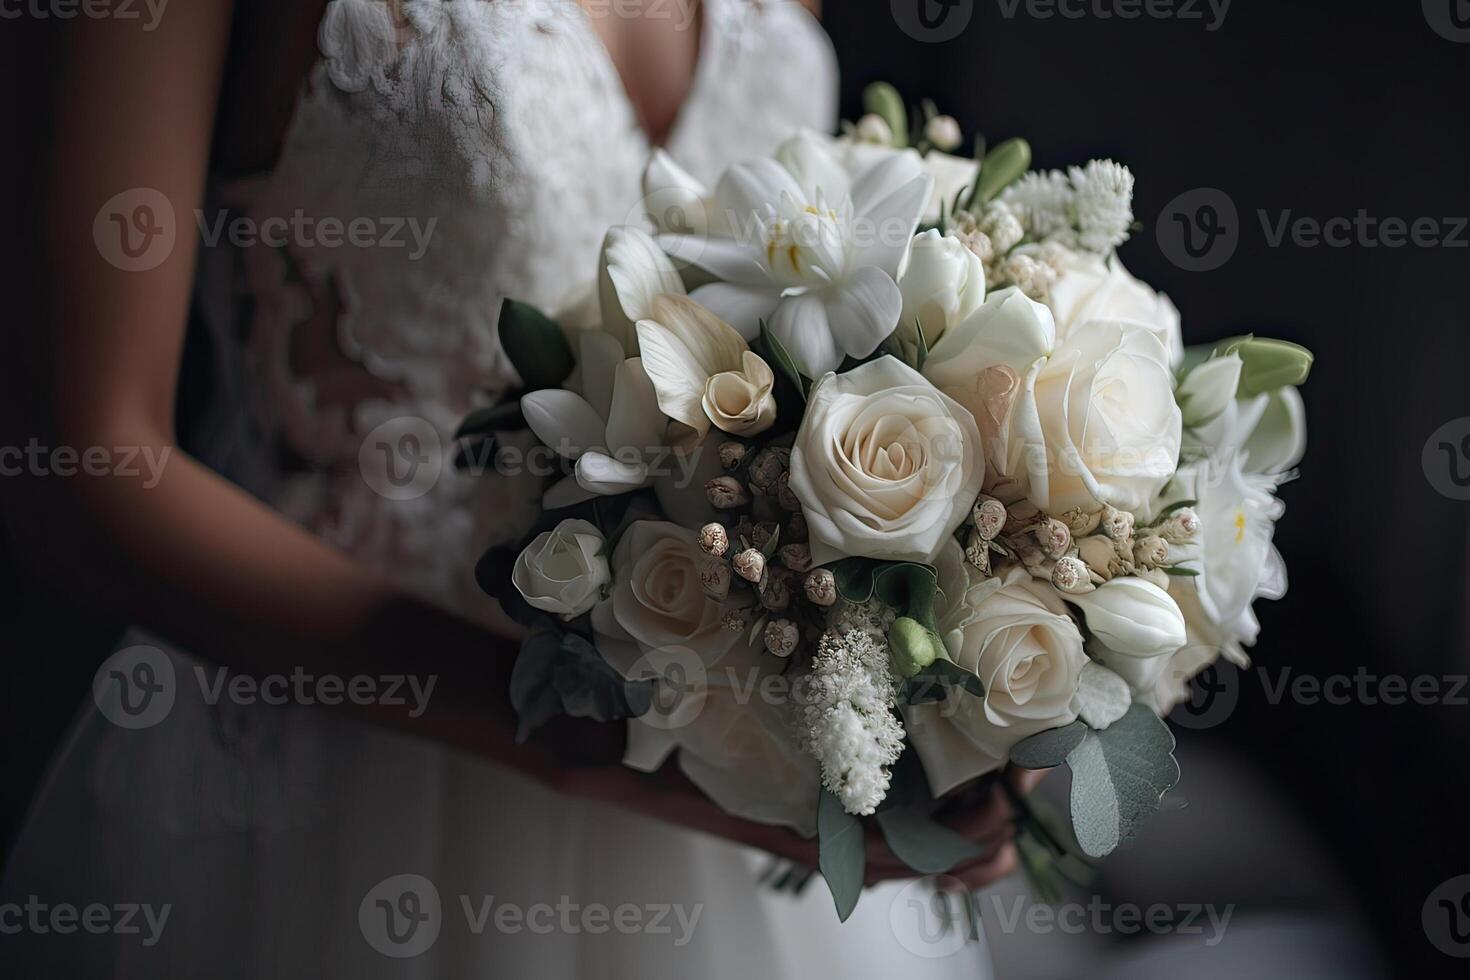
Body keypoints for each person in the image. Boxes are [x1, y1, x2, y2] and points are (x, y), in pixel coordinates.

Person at [1, 2, 1027, 975]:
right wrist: (586, 738)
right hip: (357, 766)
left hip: (747, 769)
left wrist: (976, 677)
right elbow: (88, 469)